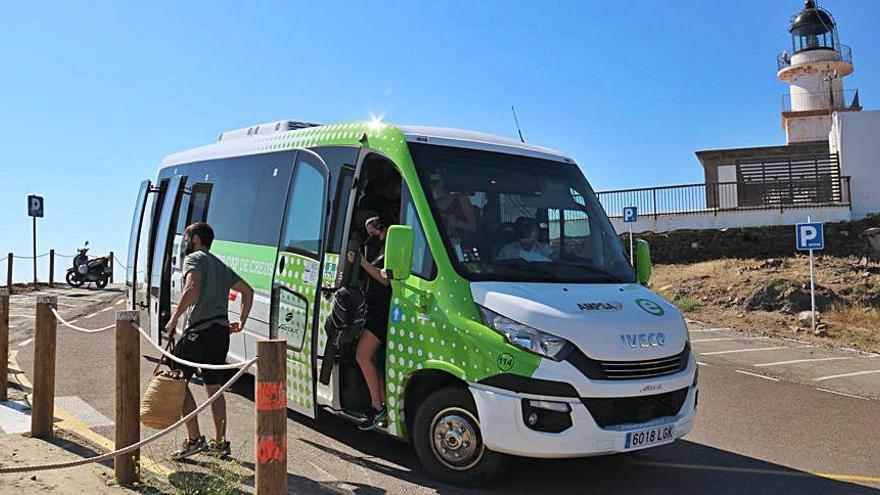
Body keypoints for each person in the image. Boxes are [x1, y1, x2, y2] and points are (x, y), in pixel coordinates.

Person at [165, 222, 254, 459]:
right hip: (220, 333)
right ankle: (220, 443)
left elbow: (192, 287)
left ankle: (194, 440)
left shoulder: (194, 259)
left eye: (187, 237)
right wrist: (241, 321)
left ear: (195, 239)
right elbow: (248, 291)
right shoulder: (220, 264)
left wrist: (174, 319)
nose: (185, 242)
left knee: (176, 379)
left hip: (199, 331)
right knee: (214, 388)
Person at [346, 216, 391, 430]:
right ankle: (383, 405)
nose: (370, 232)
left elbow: (384, 278)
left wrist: (362, 262)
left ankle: (377, 407)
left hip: (382, 311)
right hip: (373, 308)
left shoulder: (391, 246)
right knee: (370, 358)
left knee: (362, 355)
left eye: (372, 227)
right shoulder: (378, 246)